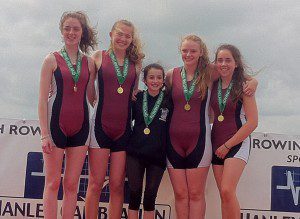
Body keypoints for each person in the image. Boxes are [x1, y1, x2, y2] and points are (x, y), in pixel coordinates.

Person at [165, 35, 257, 219]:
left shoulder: (209, 73)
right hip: (192, 141)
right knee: (186, 194)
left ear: (201, 53)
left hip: (208, 142)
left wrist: (254, 81)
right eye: (185, 50)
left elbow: (233, 73)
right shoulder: (171, 75)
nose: (188, 54)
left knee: (222, 191)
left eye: (193, 50)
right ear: (180, 51)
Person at [38, 11, 97, 219]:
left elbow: (93, 97)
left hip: (81, 127)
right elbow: (42, 100)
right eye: (67, 28)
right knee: (53, 182)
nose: (71, 33)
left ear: (82, 32)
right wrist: (44, 134)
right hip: (56, 126)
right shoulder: (51, 59)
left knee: (72, 184)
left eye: (76, 29)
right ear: (62, 31)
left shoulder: (90, 63)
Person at [85, 19, 144, 219]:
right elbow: (89, 91)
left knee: (117, 184)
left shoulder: (136, 64)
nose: (123, 39)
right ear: (111, 34)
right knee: (95, 182)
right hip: (100, 127)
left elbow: (134, 93)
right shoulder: (98, 57)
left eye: (128, 36)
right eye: (120, 34)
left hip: (123, 130)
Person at [210, 44, 258, 219]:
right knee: (224, 196)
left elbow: (253, 122)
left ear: (236, 63)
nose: (223, 64)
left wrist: (227, 145)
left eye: (228, 60)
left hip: (237, 143)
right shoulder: (213, 84)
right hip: (216, 142)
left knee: (227, 189)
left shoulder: (245, 86)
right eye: (220, 60)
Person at [127, 63, 169, 219]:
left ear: (164, 80)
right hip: (135, 153)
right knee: (134, 193)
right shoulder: (137, 97)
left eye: (159, 77)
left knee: (150, 196)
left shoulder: (168, 100)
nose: (155, 81)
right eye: (151, 77)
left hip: (157, 155)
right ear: (144, 80)